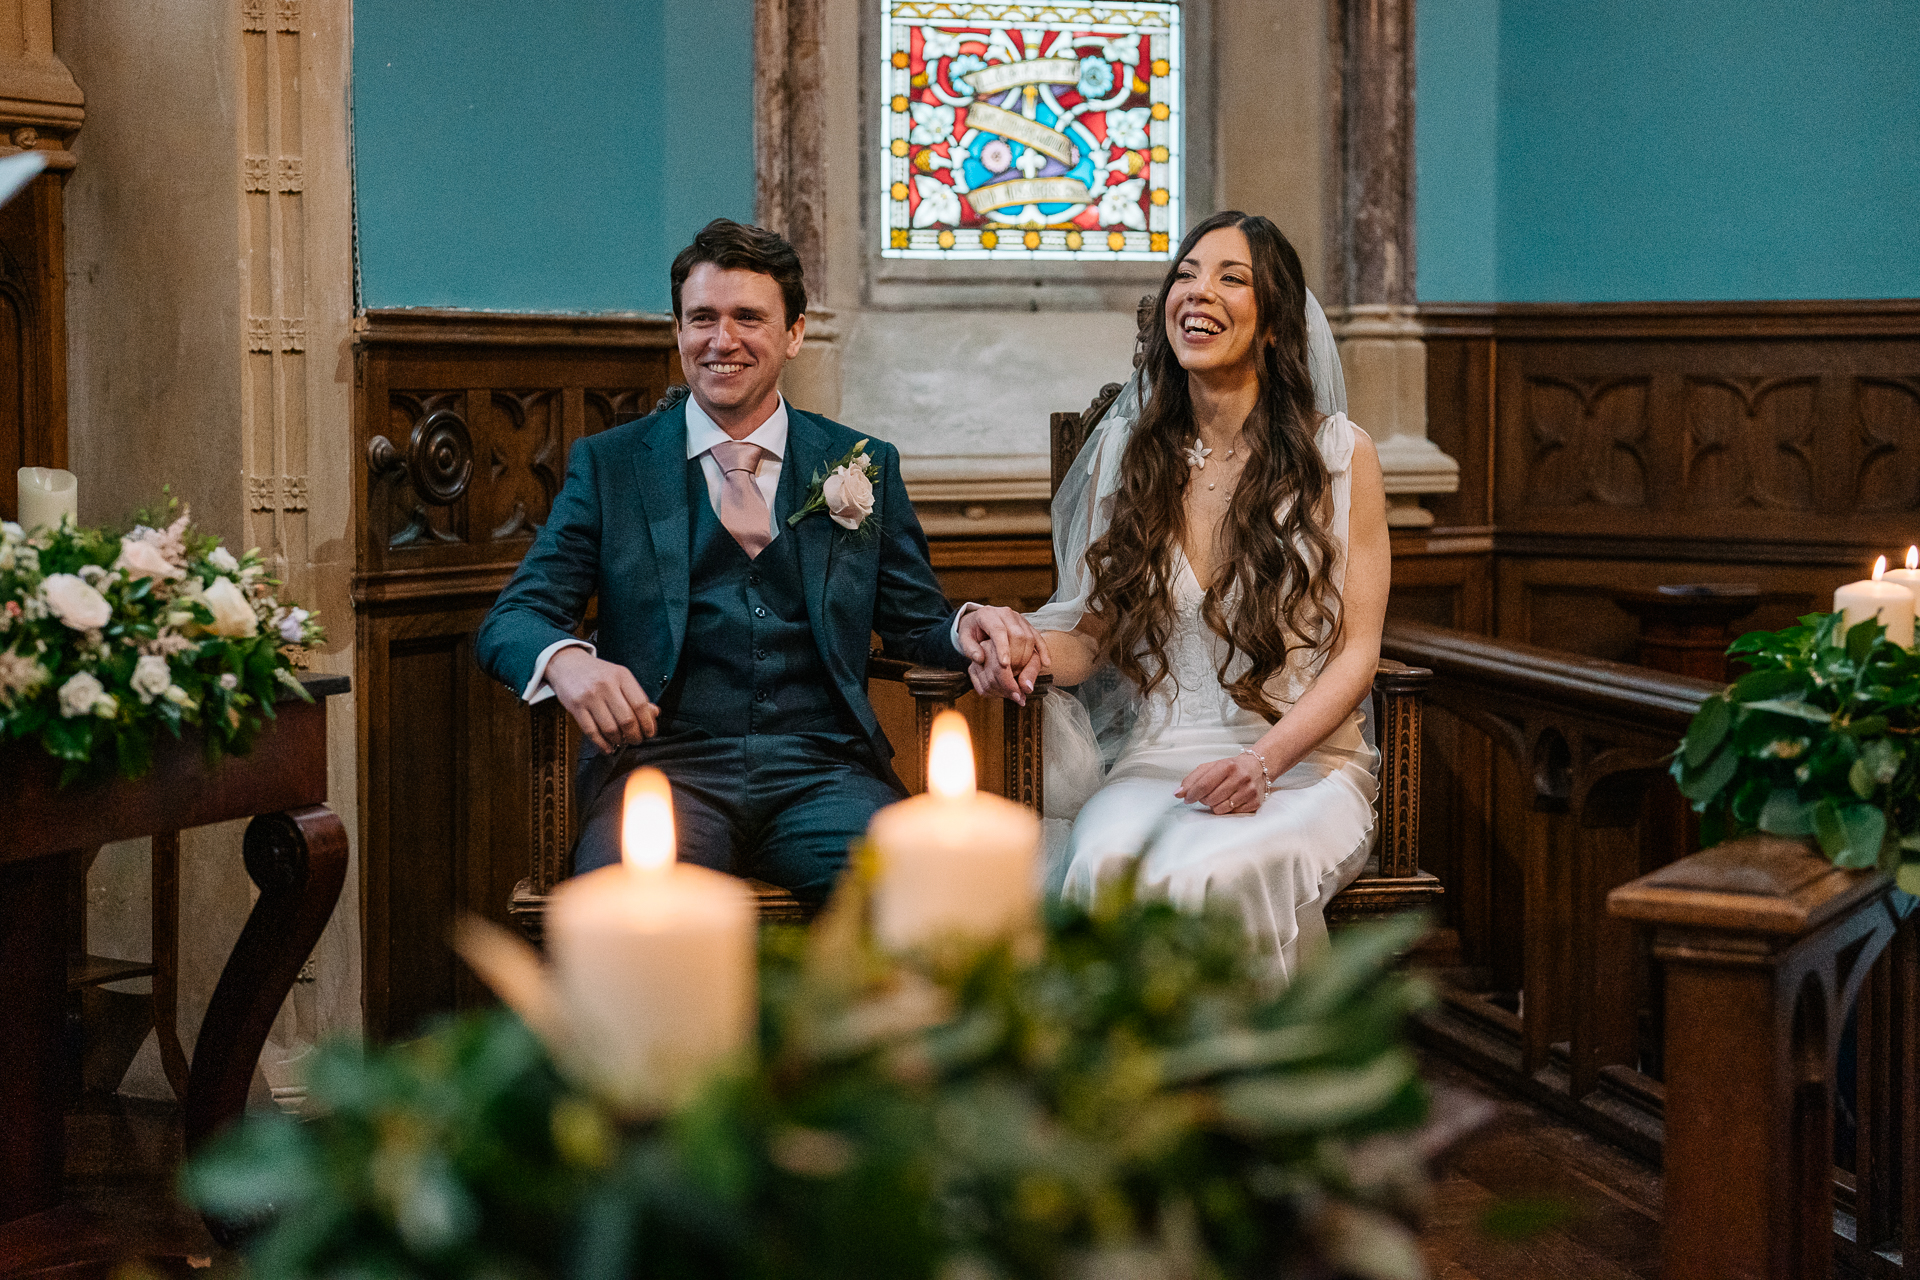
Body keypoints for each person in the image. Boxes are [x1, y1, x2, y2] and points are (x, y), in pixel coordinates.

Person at [476, 218, 1044, 900]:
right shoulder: (611, 465)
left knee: (919, 901)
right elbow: (514, 617)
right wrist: (564, 660)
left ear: (794, 333)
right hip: (662, 771)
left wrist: (969, 627)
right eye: (702, 318)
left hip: (827, 774)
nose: (723, 340)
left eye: (749, 317)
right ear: (678, 332)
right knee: (631, 913)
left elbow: (916, 621)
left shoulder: (860, 464)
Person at [1009, 210, 1389, 978]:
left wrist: (1263, 761)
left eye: (1230, 277)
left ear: (1276, 321)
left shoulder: (1339, 456)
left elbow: (1358, 652)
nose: (1197, 292)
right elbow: (1091, 637)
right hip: (1155, 761)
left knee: (1212, 874)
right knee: (1111, 862)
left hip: (1303, 766)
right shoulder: (1128, 451)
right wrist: (1022, 644)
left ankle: (1238, 1088)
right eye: (1184, 273)